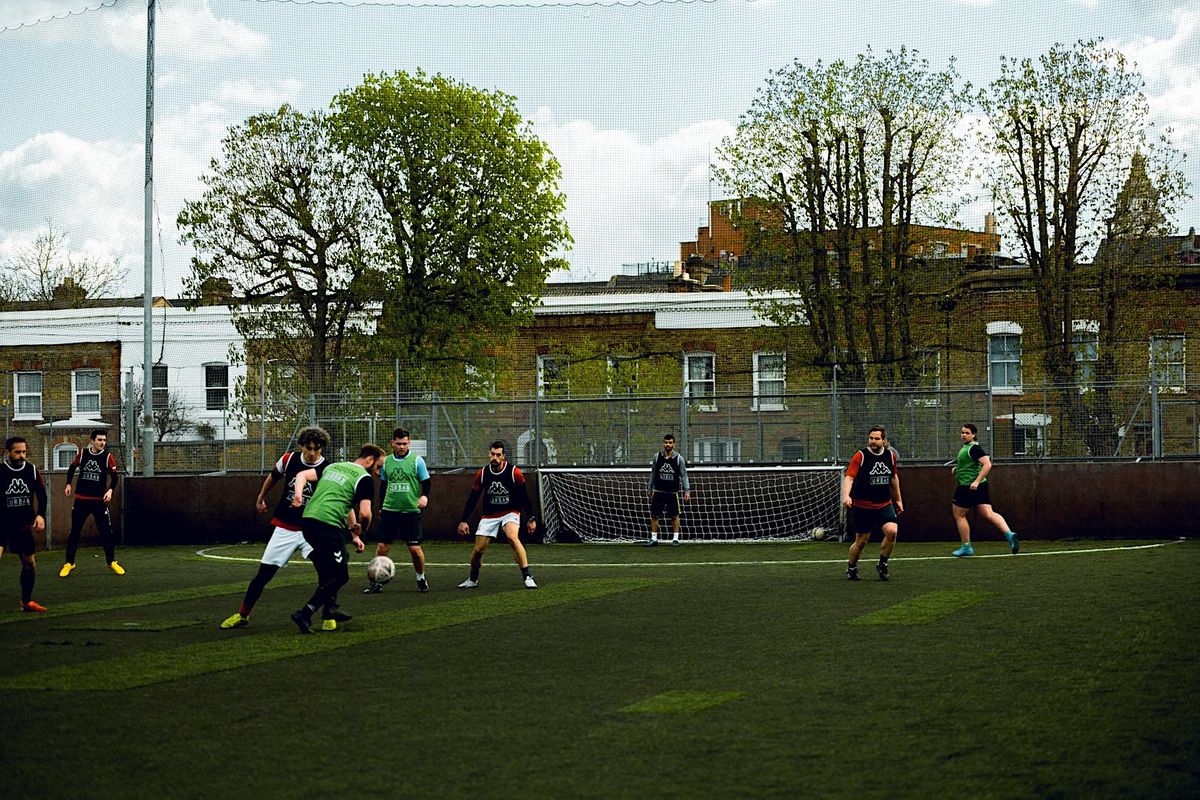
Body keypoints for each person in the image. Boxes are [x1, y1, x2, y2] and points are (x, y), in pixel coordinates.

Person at [221, 426, 332, 629]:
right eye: (309, 448)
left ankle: (328, 616)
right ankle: (243, 614)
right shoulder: (289, 459)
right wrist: (260, 498)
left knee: (327, 575)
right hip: (285, 528)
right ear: (301, 446)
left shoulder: (327, 469)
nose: (313, 452)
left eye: (317, 448)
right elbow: (272, 478)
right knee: (263, 575)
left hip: (313, 530)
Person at [287, 443, 384, 634]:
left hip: (308, 522)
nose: (379, 472)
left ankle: (329, 609)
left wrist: (298, 495)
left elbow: (303, 475)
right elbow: (365, 513)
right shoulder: (364, 479)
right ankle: (305, 613)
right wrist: (362, 530)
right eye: (378, 467)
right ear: (370, 460)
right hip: (327, 524)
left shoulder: (333, 467)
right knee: (340, 575)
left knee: (330, 571)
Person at [456, 440, 538, 589]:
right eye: (492, 454)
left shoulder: (514, 473)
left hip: (510, 512)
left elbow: (524, 496)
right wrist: (463, 520)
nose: (495, 457)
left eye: (498, 455)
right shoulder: (482, 473)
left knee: (512, 537)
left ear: (503, 457)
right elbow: (473, 498)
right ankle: (473, 579)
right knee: (478, 550)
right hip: (490, 515)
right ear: (489, 454)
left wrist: (531, 518)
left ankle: (527, 576)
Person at [364, 428, 431, 594]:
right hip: (390, 511)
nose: (402, 446)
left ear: (409, 443)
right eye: (399, 443)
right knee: (382, 548)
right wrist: (380, 507)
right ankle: (377, 582)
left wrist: (424, 497)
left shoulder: (417, 461)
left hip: (410, 511)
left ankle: (421, 578)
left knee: (415, 550)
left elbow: (426, 482)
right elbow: (384, 485)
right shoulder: (386, 461)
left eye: (405, 443)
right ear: (393, 443)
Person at [841, 425, 903, 581]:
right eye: (871, 438)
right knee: (861, 541)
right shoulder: (860, 456)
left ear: (884, 440)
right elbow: (849, 477)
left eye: (877, 439)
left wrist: (899, 500)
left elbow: (894, 478)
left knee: (892, 531)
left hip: (883, 503)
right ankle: (852, 567)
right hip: (863, 505)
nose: (873, 441)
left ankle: (882, 564)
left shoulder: (890, 456)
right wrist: (846, 495)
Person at [60, 428, 122, 577]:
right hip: (81, 500)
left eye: (104, 440)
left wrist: (110, 490)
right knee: (74, 532)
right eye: (100, 440)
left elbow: (114, 477)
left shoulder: (108, 457)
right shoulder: (83, 454)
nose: (102, 443)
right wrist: (68, 484)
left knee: (106, 533)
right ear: (92, 441)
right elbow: (72, 467)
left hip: (98, 502)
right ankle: (69, 563)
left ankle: (111, 562)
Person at [951, 423, 1019, 557]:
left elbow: (987, 464)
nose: (963, 435)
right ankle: (1009, 535)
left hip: (968, 487)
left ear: (974, 435)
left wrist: (975, 481)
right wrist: (957, 469)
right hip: (979, 486)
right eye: (962, 432)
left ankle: (966, 547)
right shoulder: (967, 448)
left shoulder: (974, 448)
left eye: (967, 433)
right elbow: (971, 464)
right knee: (988, 513)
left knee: (959, 515)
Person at [1, 437, 49, 612]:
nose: (22, 456)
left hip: (22, 525)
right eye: (17, 452)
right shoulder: (1, 471)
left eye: (24, 452)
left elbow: (42, 496)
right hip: (2, 524)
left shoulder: (32, 470)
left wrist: (40, 516)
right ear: (8, 453)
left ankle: (26, 602)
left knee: (29, 564)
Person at [646, 433, 691, 546]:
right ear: (663, 443)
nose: (668, 444)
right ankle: (654, 538)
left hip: (672, 493)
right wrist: (650, 487)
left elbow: (684, 475)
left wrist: (687, 491)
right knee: (655, 515)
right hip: (658, 491)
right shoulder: (657, 457)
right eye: (666, 442)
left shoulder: (678, 459)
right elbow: (653, 473)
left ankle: (675, 539)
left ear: (674, 444)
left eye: (670, 442)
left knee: (674, 516)